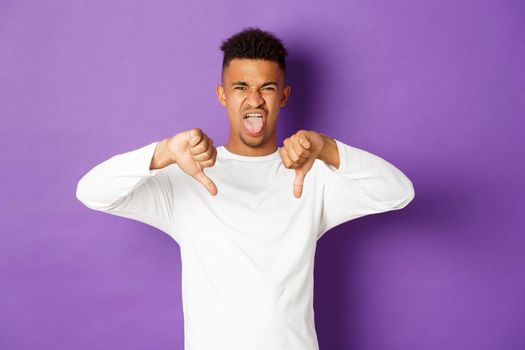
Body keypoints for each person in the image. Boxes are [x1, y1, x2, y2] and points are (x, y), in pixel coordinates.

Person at [76, 27, 415, 350]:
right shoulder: (186, 178)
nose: (254, 100)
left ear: (283, 96)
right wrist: (163, 152)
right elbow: (91, 192)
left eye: (267, 88)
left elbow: (398, 192)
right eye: (241, 87)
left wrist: (327, 148)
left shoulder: (312, 176)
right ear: (222, 94)